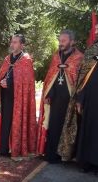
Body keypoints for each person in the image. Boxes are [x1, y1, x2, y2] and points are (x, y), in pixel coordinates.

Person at [0, 34, 37, 159]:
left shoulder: (26, 60)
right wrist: (1, 81)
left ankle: (15, 148)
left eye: (15, 42)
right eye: (12, 42)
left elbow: (26, 83)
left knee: (16, 122)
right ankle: (3, 148)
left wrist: (8, 83)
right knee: (5, 121)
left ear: (22, 45)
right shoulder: (7, 59)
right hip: (5, 97)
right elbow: (2, 75)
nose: (12, 44)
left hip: (19, 99)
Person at [37, 30, 84, 163]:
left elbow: (81, 80)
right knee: (54, 125)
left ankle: (66, 155)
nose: (60, 43)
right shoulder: (56, 56)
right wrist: (49, 94)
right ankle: (52, 154)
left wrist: (78, 99)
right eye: (59, 40)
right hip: (56, 97)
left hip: (70, 99)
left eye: (63, 41)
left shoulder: (79, 57)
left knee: (68, 126)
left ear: (72, 42)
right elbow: (51, 76)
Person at [75, 23, 98, 173]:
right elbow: (84, 76)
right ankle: (88, 162)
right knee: (89, 129)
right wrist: (80, 98)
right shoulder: (92, 49)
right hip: (90, 99)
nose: (95, 30)